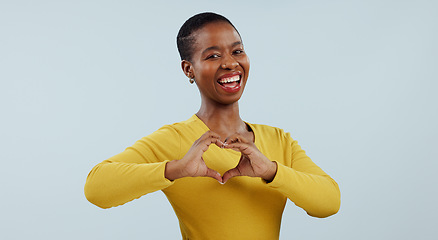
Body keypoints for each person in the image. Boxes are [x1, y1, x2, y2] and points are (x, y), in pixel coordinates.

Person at [84, 12, 340, 240]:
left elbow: (329, 202)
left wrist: (272, 171)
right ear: (188, 69)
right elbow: (96, 188)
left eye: (237, 51)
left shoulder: (279, 141)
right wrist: (176, 169)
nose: (230, 63)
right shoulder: (175, 140)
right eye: (213, 55)